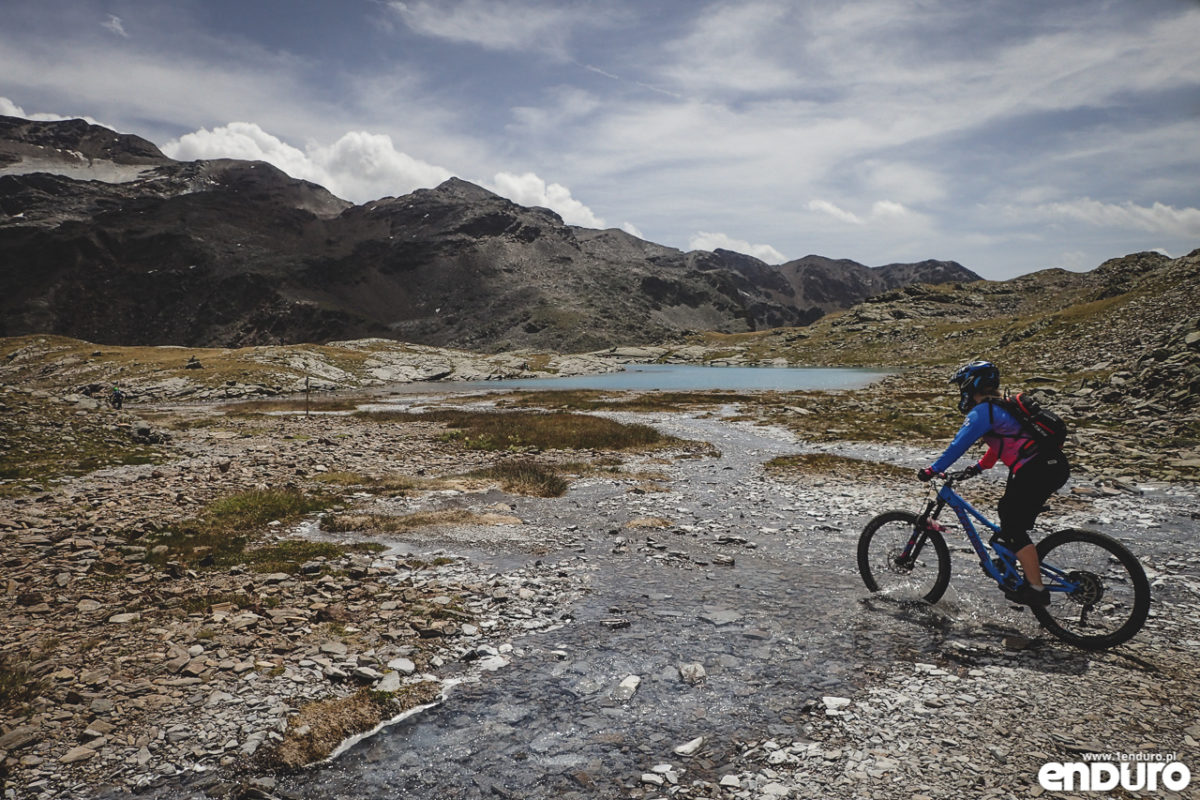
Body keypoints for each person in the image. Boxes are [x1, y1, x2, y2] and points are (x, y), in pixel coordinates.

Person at [917, 360, 1070, 607]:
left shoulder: (983, 411)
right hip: (1048, 466)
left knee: (1013, 527)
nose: (960, 391)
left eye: (961, 386)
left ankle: (1036, 589)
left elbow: (957, 446)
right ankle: (1012, 566)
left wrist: (932, 470)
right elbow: (1002, 444)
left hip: (1037, 469)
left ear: (970, 385)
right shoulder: (1000, 407)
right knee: (1007, 515)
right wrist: (977, 468)